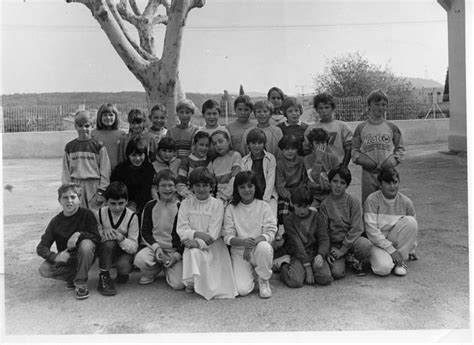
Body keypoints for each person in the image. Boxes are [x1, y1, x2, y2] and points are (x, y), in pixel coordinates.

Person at [177, 167, 237, 300]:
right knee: (192, 251)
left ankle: (203, 281)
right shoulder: (185, 204)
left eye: (205, 185)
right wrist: (196, 234)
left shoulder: (217, 205)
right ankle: (192, 281)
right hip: (191, 242)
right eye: (197, 185)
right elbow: (181, 228)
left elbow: (213, 234)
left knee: (215, 283)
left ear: (211, 186)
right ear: (191, 187)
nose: (201, 189)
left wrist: (198, 241)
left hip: (214, 247)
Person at [37, 183, 100, 299]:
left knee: (87, 244)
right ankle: (73, 277)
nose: (69, 201)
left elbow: (97, 237)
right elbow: (41, 247)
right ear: (59, 200)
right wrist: (55, 257)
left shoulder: (87, 214)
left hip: (85, 256)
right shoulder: (56, 221)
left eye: (73, 197)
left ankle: (81, 283)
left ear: (80, 199)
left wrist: (79, 234)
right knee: (44, 269)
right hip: (67, 258)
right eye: (65, 197)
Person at [223, 171, 277, 298]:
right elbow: (227, 236)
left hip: (258, 248)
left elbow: (270, 231)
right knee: (243, 290)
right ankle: (253, 273)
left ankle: (263, 279)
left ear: (255, 187)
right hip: (240, 252)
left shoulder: (263, 206)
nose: (246, 190)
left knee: (264, 247)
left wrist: (251, 243)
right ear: (236, 189)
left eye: (250, 186)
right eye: (242, 187)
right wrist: (243, 243)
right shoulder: (231, 208)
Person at [134, 170, 185, 290]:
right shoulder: (150, 206)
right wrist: (156, 248)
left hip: (173, 250)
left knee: (178, 285)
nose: (167, 189)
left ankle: (169, 267)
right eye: (163, 185)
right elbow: (145, 232)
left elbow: (185, 236)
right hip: (154, 248)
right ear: (157, 188)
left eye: (170, 185)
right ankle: (153, 271)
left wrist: (176, 256)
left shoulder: (181, 207)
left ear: (176, 187)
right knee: (140, 259)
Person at [319, 165, 373, 279]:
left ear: (347, 185)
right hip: (335, 244)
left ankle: (355, 258)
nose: (338, 185)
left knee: (365, 245)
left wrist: (343, 249)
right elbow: (324, 231)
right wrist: (328, 250)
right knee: (337, 273)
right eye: (335, 181)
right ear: (330, 182)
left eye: (342, 183)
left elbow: (357, 228)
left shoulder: (353, 201)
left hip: (351, 241)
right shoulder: (325, 204)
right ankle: (345, 259)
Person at [352, 89, 405, 204]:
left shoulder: (392, 127)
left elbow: (400, 147)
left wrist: (394, 161)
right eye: (377, 104)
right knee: (369, 203)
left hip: (387, 173)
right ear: (369, 105)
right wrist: (363, 161)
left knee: (389, 203)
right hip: (369, 174)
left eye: (383, 105)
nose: (380, 107)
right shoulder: (361, 128)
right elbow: (354, 151)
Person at [364, 167, 418, 277]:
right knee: (383, 269)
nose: (392, 186)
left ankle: (400, 262)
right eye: (388, 183)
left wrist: (411, 249)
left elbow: (412, 228)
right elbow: (371, 231)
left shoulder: (406, 201)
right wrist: (391, 250)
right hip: (377, 243)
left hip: (394, 240)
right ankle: (388, 259)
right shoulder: (372, 200)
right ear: (380, 184)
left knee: (411, 221)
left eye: (395, 182)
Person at [278, 184, 333, 288]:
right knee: (296, 281)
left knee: (325, 278)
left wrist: (321, 254)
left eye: (305, 207)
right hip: (298, 254)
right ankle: (283, 266)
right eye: (298, 206)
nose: (302, 211)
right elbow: (296, 243)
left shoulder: (317, 217)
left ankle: (311, 269)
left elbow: (324, 238)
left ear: (310, 204)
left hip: (314, 252)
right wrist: (307, 266)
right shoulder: (289, 220)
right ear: (292, 204)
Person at [95, 182, 139, 296]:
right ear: (106, 201)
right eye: (113, 203)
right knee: (109, 242)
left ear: (127, 201)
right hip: (106, 248)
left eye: (121, 203)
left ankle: (121, 272)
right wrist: (102, 232)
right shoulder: (100, 213)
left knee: (123, 266)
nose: (117, 207)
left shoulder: (132, 217)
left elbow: (134, 247)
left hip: (124, 251)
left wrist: (121, 238)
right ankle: (104, 276)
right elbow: (94, 236)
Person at [62, 110, 110, 210]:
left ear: (92, 126)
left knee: (96, 215)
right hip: (76, 185)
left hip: (94, 185)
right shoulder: (70, 147)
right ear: (75, 126)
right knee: (78, 215)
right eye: (80, 126)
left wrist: (101, 191)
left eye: (87, 126)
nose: (84, 129)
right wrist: (68, 189)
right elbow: (66, 171)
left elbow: (105, 170)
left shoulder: (98, 146)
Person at [303, 93, 352, 166]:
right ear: (316, 110)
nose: (324, 111)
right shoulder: (311, 129)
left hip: (338, 165)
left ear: (332, 108)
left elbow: (349, 148)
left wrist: (344, 166)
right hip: (319, 166)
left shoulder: (342, 127)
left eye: (327, 107)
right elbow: (307, 150)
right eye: (320, 108)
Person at [110, 137, 155, 215]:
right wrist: (125, 204)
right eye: (134, 155)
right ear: (128, 155)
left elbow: (145, 190)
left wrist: (135, 205)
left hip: (143, 205)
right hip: (122, 204)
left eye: (140, 155)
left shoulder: (148, 168)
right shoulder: (120, 169)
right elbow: (115, 188)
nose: (137, 158)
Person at [240, 127, 278, 217]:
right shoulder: (244, 161)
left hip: (268, 196)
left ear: (264, 144)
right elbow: (245, 181)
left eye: (259, 143)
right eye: (253, 143)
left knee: (270, 219)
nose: (256, 146)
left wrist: (265, 201)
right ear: (248, 144)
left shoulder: (270, 158)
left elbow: (270, 181)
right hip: (251, 196)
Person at [275, 134, 309, 226]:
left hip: (300, 193)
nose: (290, 151)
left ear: (297, 149)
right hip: (286, 195)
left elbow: (305, 180)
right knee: (284, 214)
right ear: (282, 150)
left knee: (304, 212)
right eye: (286, 149)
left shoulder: (302, 161)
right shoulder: (280, 164)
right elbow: (280, 186)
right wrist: (290, 197)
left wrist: (299, 196)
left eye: (293, 149)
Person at [304, 128, 339, 209]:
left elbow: (336, 181)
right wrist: (319, 159)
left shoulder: (333, 158)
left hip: (330, 195)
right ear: (312, 144)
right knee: (311, 211)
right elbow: (314, 178)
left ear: (327, 144)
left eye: (323, 142)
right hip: (314, 196)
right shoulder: (307, 159)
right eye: (317, 143)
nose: (320, 146)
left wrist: (320, 185)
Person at [207, 130, 242, 205]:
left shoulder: (235, 156)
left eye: (220, 141)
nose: (218, 145)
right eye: (215, 143)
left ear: (228, 141)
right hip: (219, 199)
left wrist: (224, 197)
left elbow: (235, 179)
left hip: (234, 198)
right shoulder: (214, 162)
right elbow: (212, 185)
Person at [176, 131, 211, 199]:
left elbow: (212, 184)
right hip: (190, 199)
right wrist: (192, 197)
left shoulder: (210, 162)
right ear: (194, 144)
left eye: (207, 145)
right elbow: (180, 185)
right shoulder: (186, 162)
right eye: (201, 145)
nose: (204, 148)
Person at [92, 103, 126, 170]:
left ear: (116, 117)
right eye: (105, 115)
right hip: (100, 172)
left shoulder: (122, 135)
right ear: (100, 117)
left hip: (118, 172)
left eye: (111, 115)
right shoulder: (94, 134)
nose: (108, 117)